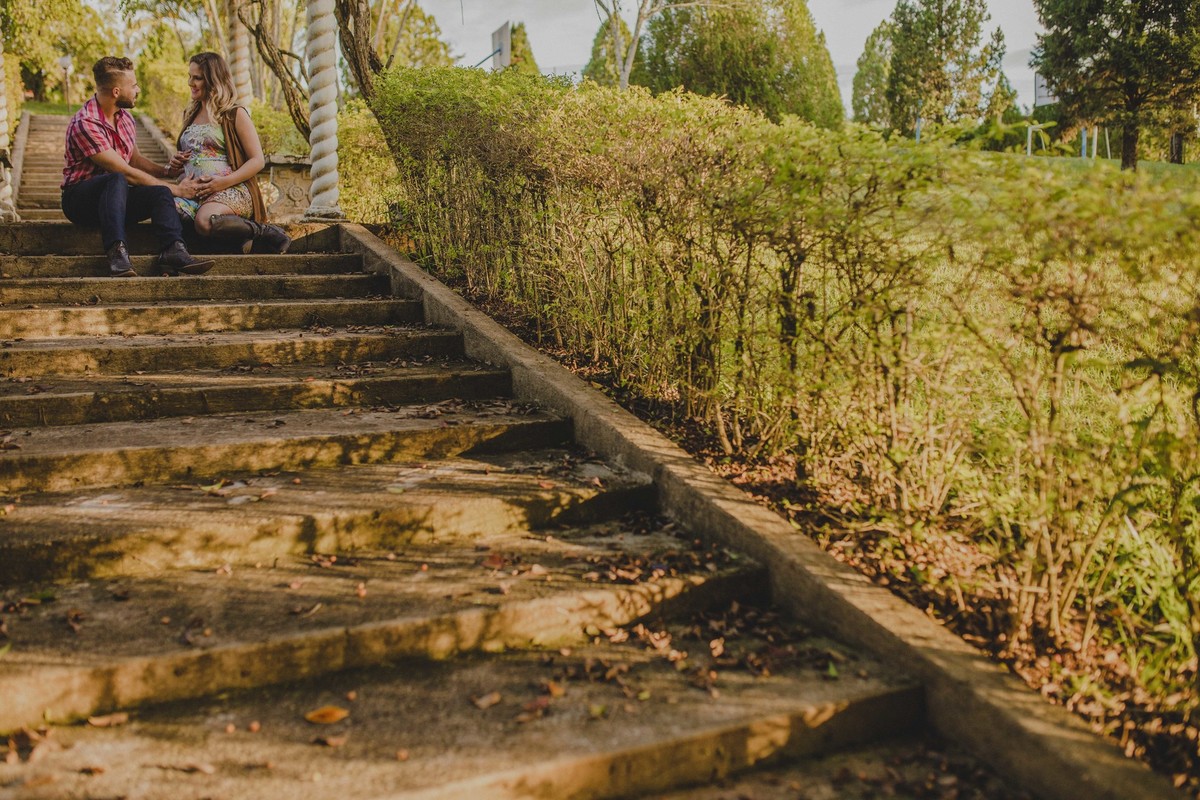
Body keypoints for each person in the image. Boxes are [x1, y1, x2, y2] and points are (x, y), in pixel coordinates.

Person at [61, 56, 213, 278]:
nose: (137, 89)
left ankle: (173, 250)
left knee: (159, 192)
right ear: (115, 92)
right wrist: (178, 189)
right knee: (117, 179)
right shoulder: (85, 123)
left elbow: (134, 159)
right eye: (133, 86)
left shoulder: (125, 118)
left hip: (116, 200)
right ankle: (117, 255)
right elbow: (123, 171)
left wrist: (166, 172)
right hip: (80, 201)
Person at [173, 52, 290, 254]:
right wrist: (175, 162)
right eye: (190, 76)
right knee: (164, 206)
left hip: (231, 189)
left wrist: (222, 183)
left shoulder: (234, 114)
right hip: (194, 193)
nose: (190, 82)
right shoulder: (189, 113)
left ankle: (264, 231)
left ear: (213, 80)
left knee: (203, 221)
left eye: (197, 78)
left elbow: (257, 160)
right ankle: (234, 242)